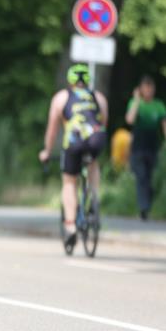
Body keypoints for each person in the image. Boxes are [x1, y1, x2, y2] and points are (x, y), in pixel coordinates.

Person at [38, 64, 108, 248]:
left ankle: (70, 225)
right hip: (96, 137)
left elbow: (52, 130)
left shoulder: (61, 98)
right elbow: (103, 122)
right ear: (88, 80)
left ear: (70, 80)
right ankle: (93, 196)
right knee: (93, 163)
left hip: (74, 139)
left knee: (69, 181)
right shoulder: (98, 97)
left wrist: (47, 151)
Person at [124, 75, 166, 220]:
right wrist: (136, 100)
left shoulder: (158, 105)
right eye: (145, 88)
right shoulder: (135, 103)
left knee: (150, 178)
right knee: (141, 177)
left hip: (152, 146)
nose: (148, 91)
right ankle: (144, 208)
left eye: (151, 88)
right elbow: (129, 119)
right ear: (141, 89)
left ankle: (147, 205)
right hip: (137, 148)